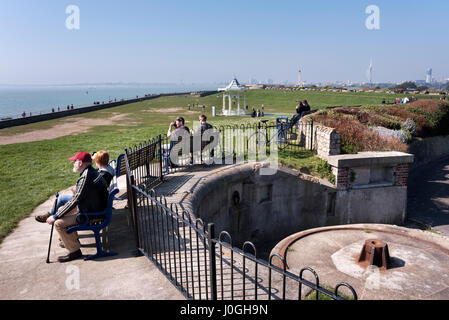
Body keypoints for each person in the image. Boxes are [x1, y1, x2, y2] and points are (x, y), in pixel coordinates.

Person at [43, 152, 109, 263]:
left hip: (92, 214)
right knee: (64, 212)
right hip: (95, 208)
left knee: (58, 223)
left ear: (80, 162)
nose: (73, 164)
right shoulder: (91, 172)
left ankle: (74, 251)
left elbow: (75, 199)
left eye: (74, 161)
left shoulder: (86, 176)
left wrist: (55, 216)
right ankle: (70, 243)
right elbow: (78, 198)